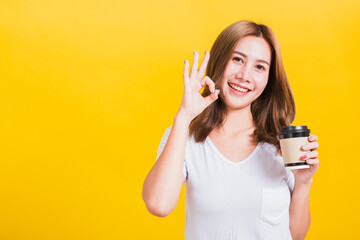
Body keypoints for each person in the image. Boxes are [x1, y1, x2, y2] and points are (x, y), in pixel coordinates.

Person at [142, 20, 319, 240]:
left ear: (268, 79)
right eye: (237, 59)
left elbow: (295, 235)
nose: (244, 75)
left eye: (259, 67)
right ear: (219, 60)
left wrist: (303, 183)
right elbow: (158, 205)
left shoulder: (281, 145)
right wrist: (184, 117)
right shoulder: (184, 137)